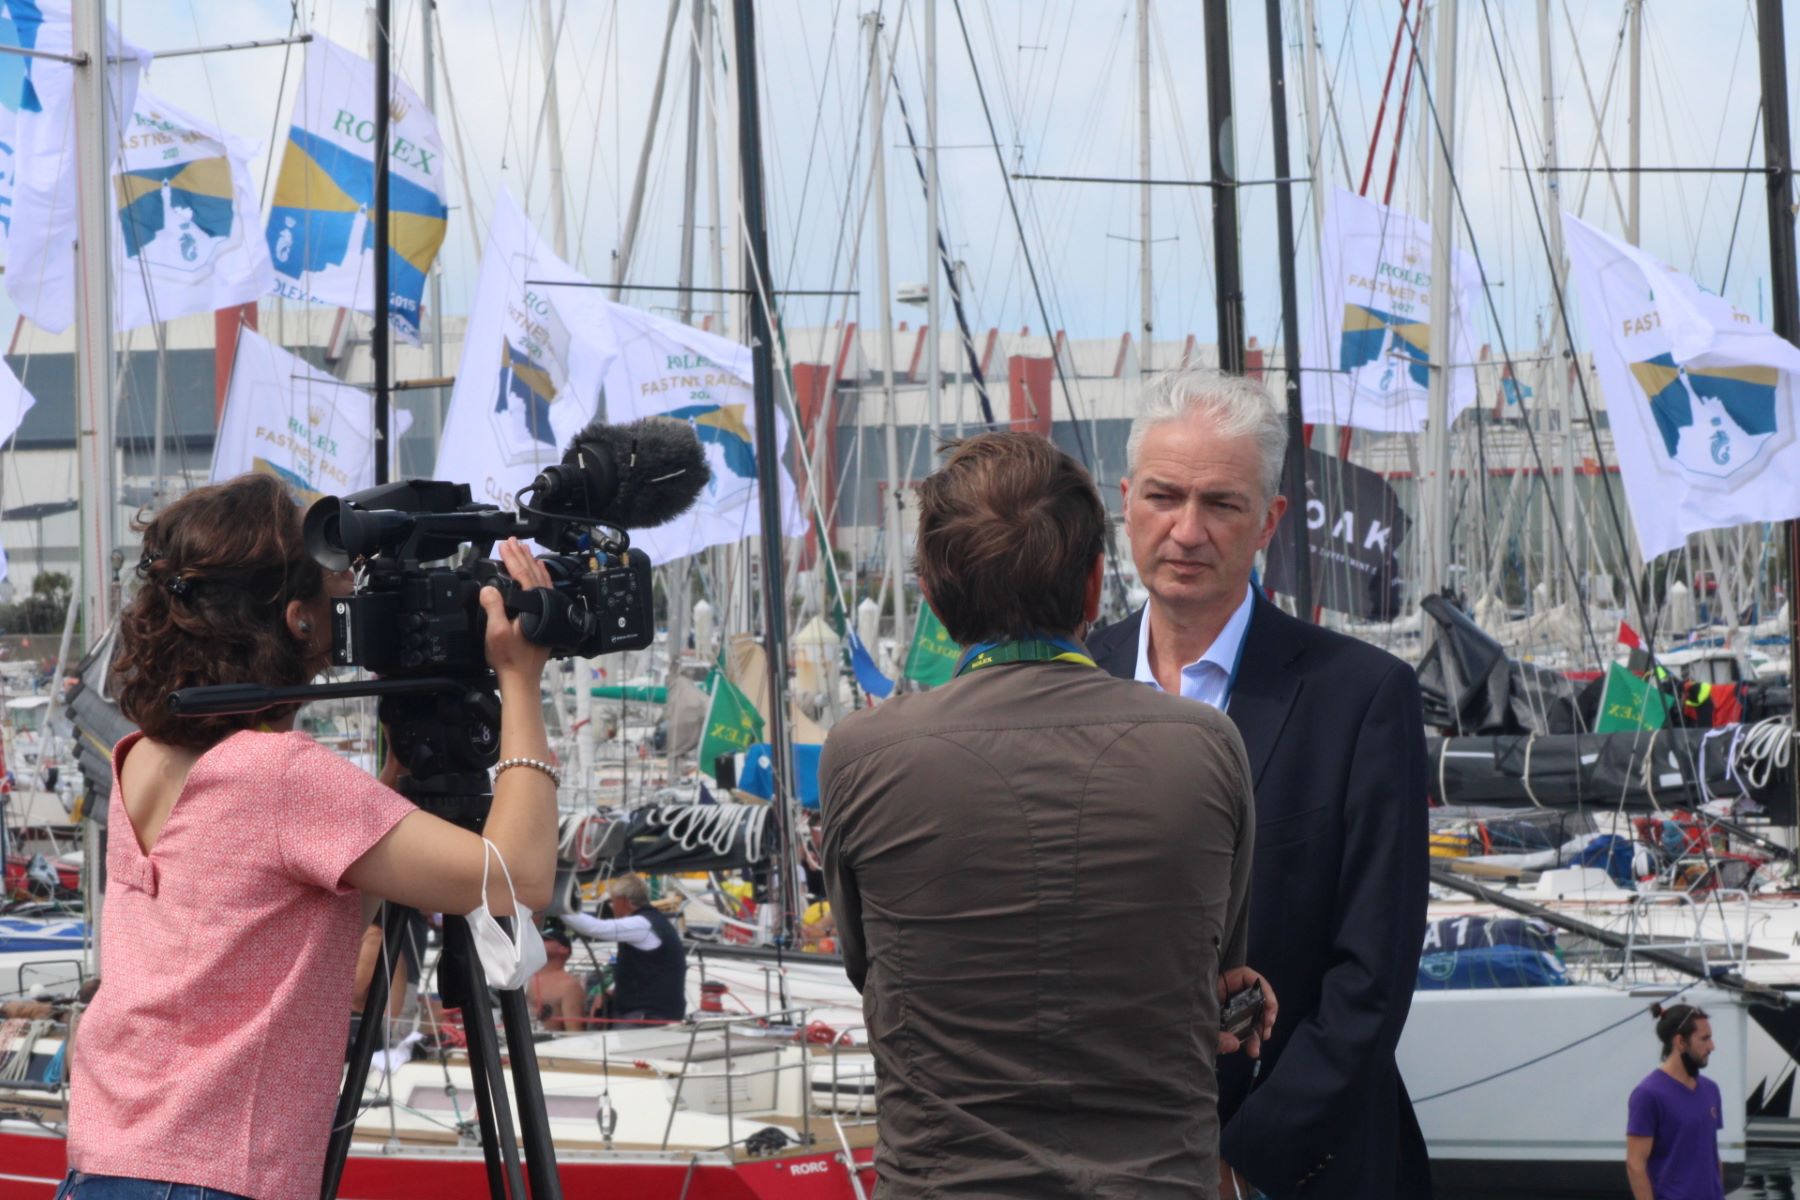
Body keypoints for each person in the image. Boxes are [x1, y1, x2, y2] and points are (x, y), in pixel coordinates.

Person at [60, 473, 560, 1200]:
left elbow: (278, 913)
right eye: (338, 594)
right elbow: (518, 875)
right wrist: (520, 680)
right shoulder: (281, 776)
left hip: (110, 1166)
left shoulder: (141, 756)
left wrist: (392, 782)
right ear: (297, 620)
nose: (351, 604)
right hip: (214, 1181)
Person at [821, 431, 1271, 1198]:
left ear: (931, 596)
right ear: (1096, 586)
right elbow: (1218, 968)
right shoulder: (1204, 747)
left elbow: (868, 965)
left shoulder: (863, 754)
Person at [1087, 368, 1431, 1199]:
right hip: (1098, 1160)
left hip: (1299, 1169)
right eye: (1165, 497)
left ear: (1269, 519)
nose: (1187, 530)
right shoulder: (1071, 688)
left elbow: (1372, 978)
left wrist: (1239, 1165)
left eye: (1222, 504)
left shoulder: (1362, 698)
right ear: (1126, 503)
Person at [1626, 1003, 1725, 1200]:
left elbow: (1712, 1155)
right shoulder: (1647, 1094)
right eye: (1705, 1039)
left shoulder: (1711, 1090)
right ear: (1680, 1042)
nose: (1712, 1046)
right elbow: (1635, 1164)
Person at [563, 873, 687, 1025]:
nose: (613, 907)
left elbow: (595, 928)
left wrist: (558, 906)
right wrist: (612, 990)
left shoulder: (641, 925)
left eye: (613, 902)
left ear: (622, 901)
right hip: (659, 1014)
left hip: (646, 1017)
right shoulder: (655, 921)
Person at [528, 921, 589, 1031]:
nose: (540, 942)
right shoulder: (523, 977)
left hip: (547, 1045)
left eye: (546, 940)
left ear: (564, 949)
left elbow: (574, 1031)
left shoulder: (570, 986)